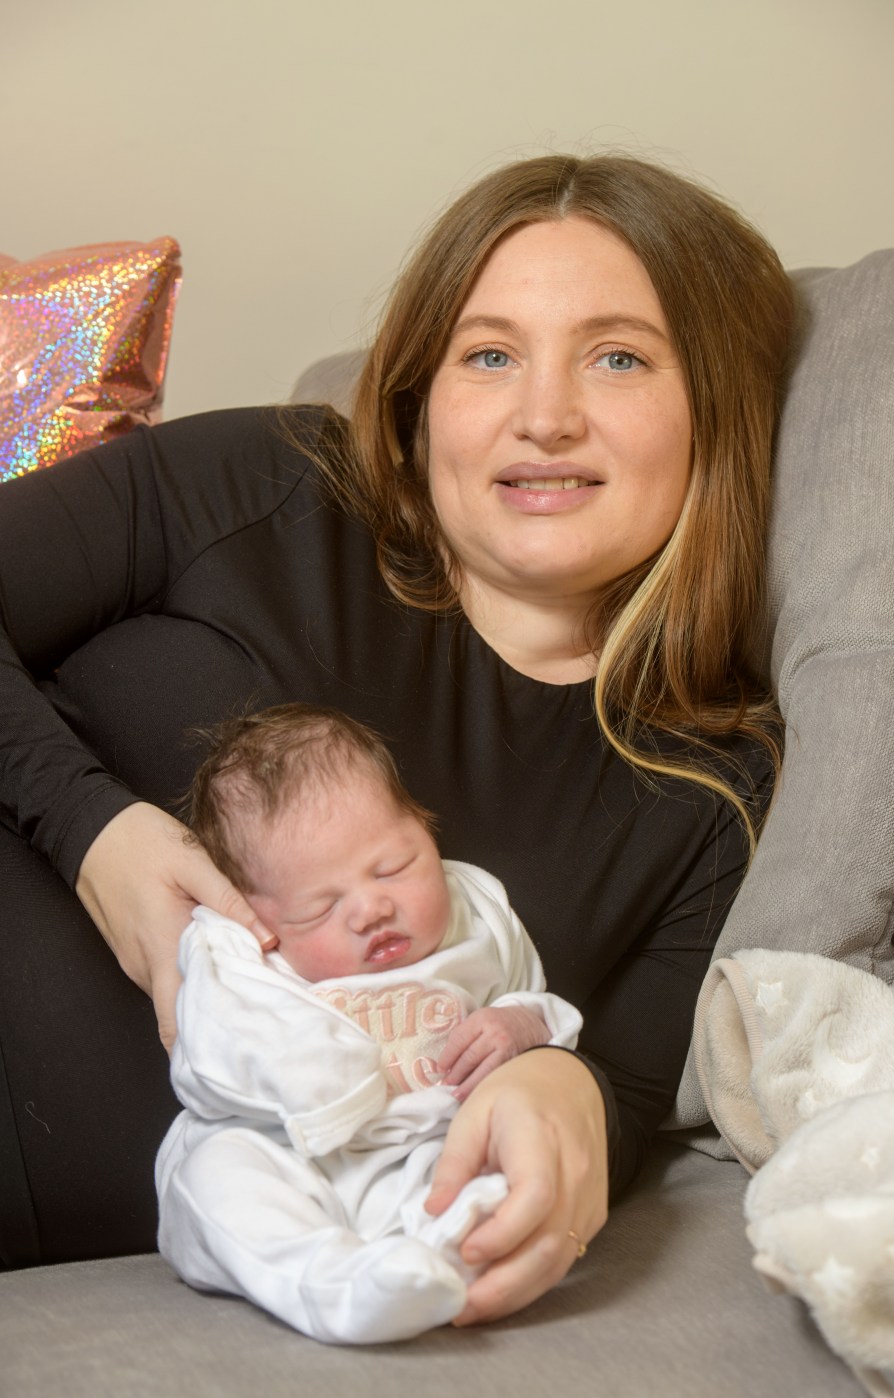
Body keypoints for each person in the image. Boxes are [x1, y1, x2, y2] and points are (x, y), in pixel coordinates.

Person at [0, 152, 793, 1323]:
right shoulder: (270, 484)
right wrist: (95, 831)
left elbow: (618, 1079)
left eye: (618, 356)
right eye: (489, 354)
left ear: (719, 407)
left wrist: (570, 1091)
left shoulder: (714, 784)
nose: (544, 416)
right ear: (424, 397)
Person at [157, 702, 581, 1343]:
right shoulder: (236, 955)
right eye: (318, 908)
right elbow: (207, 1064)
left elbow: (538, 1003)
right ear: (253, 912)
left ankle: (443, 1257)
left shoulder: (476, 910)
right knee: (215, 1171)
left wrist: (520, 1024)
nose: (370, 908)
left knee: (494, 1164)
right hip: (291, 1152)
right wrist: (329, 1085)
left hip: (427, 1146)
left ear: (425, 828)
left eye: (393, 868)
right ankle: (330, 1282)